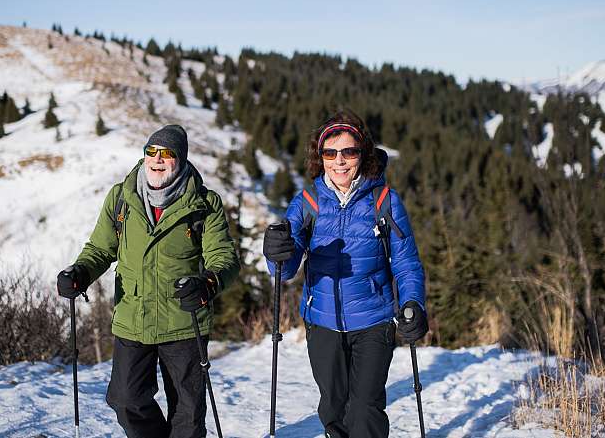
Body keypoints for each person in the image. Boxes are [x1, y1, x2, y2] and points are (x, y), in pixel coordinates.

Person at [57, 124, 239, 438]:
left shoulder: (204, 204)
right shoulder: (122, 198)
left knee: (188, 411)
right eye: (150, 152)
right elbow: (101, 248)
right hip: (132, 316)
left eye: (166, 154)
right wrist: (80, 273)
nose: (157, 159)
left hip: (183, 319)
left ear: (180, 160)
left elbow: (223, 256)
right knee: (125, 398)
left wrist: (208, 283)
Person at [263, 109, 428, 438]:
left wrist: (413, 304)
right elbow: (285, 268)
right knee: (333, 407)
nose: (339, 161)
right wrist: (277, 252)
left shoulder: (385, 201)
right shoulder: (308, 201)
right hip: (322, 321)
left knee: (365, 406)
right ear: (320, 157)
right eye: (330, 152)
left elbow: (406, 261)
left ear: (362, 154)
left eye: (349, 151)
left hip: (373, 320)